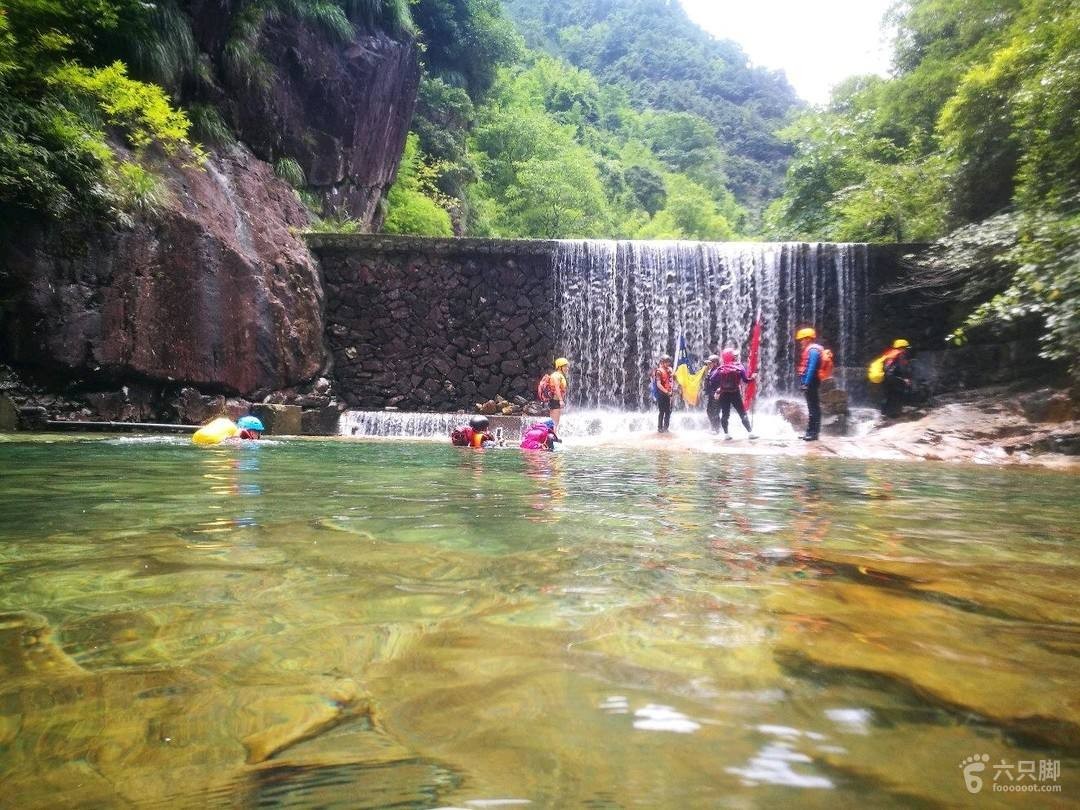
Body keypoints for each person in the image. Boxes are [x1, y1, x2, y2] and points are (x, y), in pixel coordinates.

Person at [711, 348, 756, 440]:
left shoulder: (720, 368)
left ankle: (726, 434)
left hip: (723, 394)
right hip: (735, 393)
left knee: (725, 414)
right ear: (732, 357)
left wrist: (719, 387)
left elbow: (712, 379)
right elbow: (746, 380)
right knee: (742, 413)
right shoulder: (739, 367)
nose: (736, 357)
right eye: (735, 356)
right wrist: (753, 378)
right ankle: (750, 432)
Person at [795, 327, 824, 441]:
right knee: (812, 407)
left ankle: (813, 433)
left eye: (802, 339)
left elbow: (811, 368)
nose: (801, 341)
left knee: (813, 408)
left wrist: (806, 383)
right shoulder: (813, 349)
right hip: (810, 382)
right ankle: (810, 432)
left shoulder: (813, 350)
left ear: (808, 339)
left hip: (812, 382)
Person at [882, 339, 914, 418]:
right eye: (906, 348)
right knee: (896, 396)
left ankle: (888, 413)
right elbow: (898, 370)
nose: (906, 350)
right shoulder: (898, 355)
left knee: (890, 397)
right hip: (895, 380)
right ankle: (894, 415)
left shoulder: (891, 355)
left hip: (890, 380)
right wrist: (904, 380)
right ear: (902, 348)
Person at [537, 358, 570, 428]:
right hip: (555, 401)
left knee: (554, 422)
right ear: (559, 367)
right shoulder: (556, 375)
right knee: (555, 422)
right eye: (565, 366)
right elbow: (556, 388)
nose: (567, 368)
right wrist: (561, 400)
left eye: (567, 366)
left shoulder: (560, 376)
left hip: (556, 401)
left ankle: (552, 437)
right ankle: (553, 437)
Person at [652, 354, 676, 433]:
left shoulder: (669, 370)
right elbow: (658, 384)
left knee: (668, 412)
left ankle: (666, 427)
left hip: (668, 394)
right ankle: (660, 428)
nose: (667, 364)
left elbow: (672, 380)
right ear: (662, 362)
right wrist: (666, 392)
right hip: (662, 394)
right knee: (662, 411)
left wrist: (672, 373)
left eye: (668, 362)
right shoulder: (659, 371)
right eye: (666, 362)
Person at [702, 354, 722, 432]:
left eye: (710, 363)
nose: (708, 365)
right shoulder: (710, 371)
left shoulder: (719, 371)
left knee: (715, 412)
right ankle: (714, 427)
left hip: (717, 395)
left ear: (715, 363)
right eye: (708, 363)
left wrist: (718, 391)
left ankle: (717, 429)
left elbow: (722, 382)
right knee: (709, 411)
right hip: (711, 394)